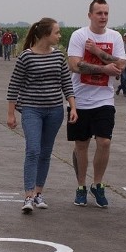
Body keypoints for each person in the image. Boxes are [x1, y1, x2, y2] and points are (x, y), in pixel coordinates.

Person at [6, 18, 77, 213]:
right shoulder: (26, 57)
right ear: (46, 34)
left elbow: (66, 83)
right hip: (31, 109)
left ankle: (38, 193)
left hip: (54, 110)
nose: (59, 36)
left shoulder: (58, 57)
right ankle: (28, 195)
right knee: (33, 150)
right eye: (57, 32)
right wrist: (11, 114)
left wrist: (73, 107)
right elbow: (14, 86)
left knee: (46, 153)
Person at [67, 0, 126, 208]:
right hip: (80, 99)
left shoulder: (115, 37)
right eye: (99, 13)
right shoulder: (79, 35)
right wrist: (103, 68)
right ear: (90, 15)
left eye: (106, 13)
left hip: (104, 99)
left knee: (105, 142)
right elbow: (74, 65)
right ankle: (81, 186)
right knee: (81, 145)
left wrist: (97, 52)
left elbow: (121, 64)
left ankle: (97, 184)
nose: (103, 17)